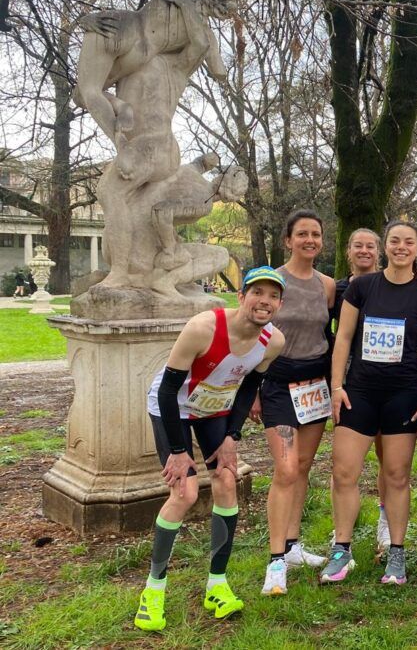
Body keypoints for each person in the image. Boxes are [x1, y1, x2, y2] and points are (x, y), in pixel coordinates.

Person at [135, 266, 286, 631]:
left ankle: (216, 584)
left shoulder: (274, 341)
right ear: (242, 296)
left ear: (279, 304)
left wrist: (232, 436)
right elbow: (169, 390)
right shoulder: (204, 327)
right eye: (257, 292)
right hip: (173, 408)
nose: (264, 301)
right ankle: (153, 591)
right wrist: (177, 450)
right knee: (185, 492)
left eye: (273, 296)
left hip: (214, 410)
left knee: (226, 480)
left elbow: (250, 386)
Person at [322, 221, 417, 586]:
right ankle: (341, 548)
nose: (401, 247)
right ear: (385, 246)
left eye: (409, 242)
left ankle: (397, 551)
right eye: (395, 241)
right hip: (359, 391)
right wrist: (337, 385)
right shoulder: (361, 286)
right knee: (344, 471)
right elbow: (342, 337)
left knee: (396, 475)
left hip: (403, 393)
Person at [253, 210, 337, 596]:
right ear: (288, 240)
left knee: (302, 466)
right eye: (301, 234)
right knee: (285, 469)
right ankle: (275, 563)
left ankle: (293, 545)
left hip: (314, 385)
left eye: (315, 234)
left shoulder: (328, 285)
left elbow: (330, 333)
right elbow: (253, 333)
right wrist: (251, 389)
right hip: (277, 382)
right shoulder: (273, 282)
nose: (309, 240)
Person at [330, 227, 391, 553]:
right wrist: (335, 380)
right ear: (348, 251)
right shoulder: (336, 289)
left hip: (385, 381)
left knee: (387, 458)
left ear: (378, 251)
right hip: (351, 381)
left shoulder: (390, 284)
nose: (364, 250)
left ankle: (385, 521)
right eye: (358, 245)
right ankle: (341, 533)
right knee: (344, 462)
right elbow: (332, 334)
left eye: (370, 246)